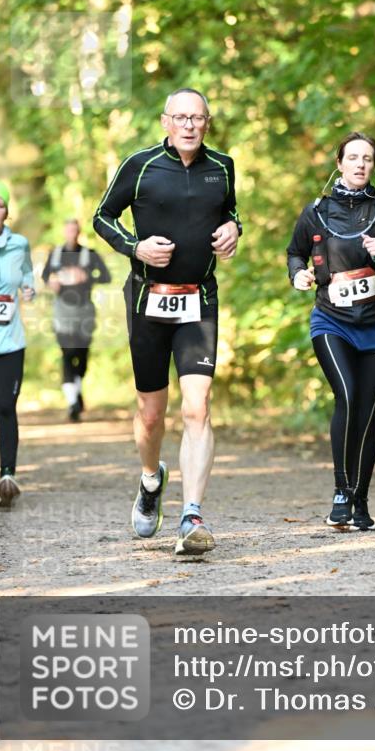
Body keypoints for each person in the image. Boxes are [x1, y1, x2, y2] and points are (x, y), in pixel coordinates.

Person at [93, 88, 240, 555]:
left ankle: (192, 515)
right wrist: (135, 247)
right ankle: (151, 479)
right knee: (151, 414)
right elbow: (102, 216)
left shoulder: (223, 167)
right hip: (147, 301)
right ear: (165, 122)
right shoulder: (139, 166)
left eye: (198, 117)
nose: (190, 125)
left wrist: (235, 228)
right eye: (181, 117)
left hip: (200, 300)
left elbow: (231, 211)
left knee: (197, 407)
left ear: (208, 122)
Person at [287, 132, 375, 531]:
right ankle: (341, 492)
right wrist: (298, 273)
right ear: (339, 163)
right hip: (330, 320)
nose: (360, 164)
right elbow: (295, 250)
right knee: (346, 395)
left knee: (369, 415)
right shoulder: (317, 212)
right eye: (353, 157)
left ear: (374, 166)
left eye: (368, 158)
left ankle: (361, 500)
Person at [0, 179, 35, 507]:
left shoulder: (20, 244)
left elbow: (27, 273)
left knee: (4, 406)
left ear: (7, 211)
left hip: (10, 340)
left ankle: (7, 476)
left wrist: (29, 288)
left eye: (0, 205)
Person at [42, 219, 111, 421]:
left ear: (79, 232)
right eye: (68, 229)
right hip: (62, 310)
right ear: (64, 231)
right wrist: (50, 283)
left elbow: (106, 277)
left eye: (75, 229)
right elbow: (45, 276)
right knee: (67, 352)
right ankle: (72, 402)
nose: (71, 232)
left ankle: (77, 390)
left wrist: (87, 277)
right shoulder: (55, 254)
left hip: (84, 310)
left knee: (82, 356)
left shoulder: (89, 254)